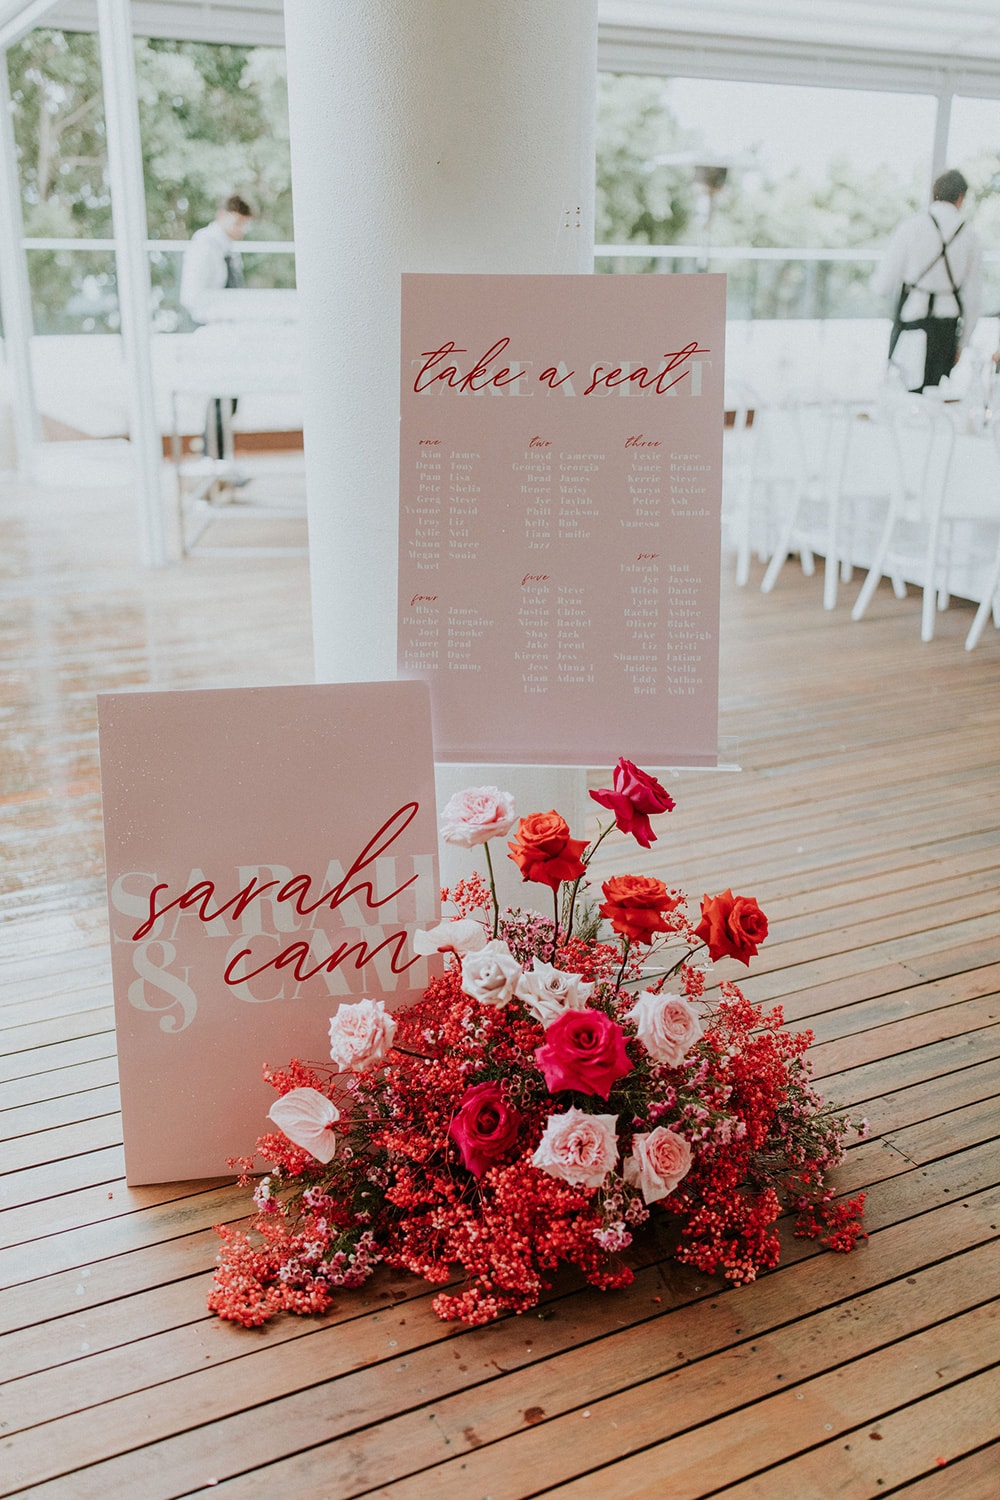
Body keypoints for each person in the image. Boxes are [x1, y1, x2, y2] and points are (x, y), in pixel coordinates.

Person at [872, 169, 983, 393]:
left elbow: (882, 284)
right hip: (946, 330)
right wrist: (962, 343)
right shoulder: (970, 236)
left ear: (934, 193)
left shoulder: (911, 226)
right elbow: (973, 298)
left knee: (903, 396)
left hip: (913, 324)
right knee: (935, 402)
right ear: (960, 197)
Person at [179, 195, 254, 471]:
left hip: (230, 332)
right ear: (222, 215)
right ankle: (213, 462)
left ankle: (219, 461)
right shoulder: (206, 246)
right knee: (221, 397)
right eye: (237, 223)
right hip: (214, 333)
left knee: (228, 398)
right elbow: (193, 296)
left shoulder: (228, 248)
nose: (240, 230)